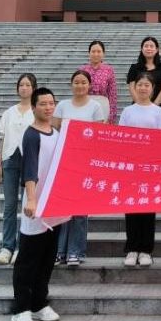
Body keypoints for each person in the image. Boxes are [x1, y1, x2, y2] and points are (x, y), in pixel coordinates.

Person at [10, 86, 62, 321]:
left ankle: (40, 303)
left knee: (47, 258)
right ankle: (21, 308)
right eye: (43, 104)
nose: (48, 107)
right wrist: (31, 199)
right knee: (28, 259)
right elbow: (29, 169)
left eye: (51, 103)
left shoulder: (56, 133)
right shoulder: (31, 135)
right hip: (36, 205)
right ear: (33, 107)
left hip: (54, 206)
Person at [54, 70, 105, 267]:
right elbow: (55, 131)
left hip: (84, 162)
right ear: (71, 84)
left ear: (89, 85)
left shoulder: (95, 107)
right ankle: (60, 251)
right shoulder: (62, 106)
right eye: (76, 82)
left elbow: (98, 136)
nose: (80, 85)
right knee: (63, 208)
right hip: (64, 161)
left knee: (80, 210)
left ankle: (76, 251)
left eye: (84, 82)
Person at [118, 72, 161, 267]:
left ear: (152, 88)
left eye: (147, 85)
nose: (143, 88)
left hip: (150, 166)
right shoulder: (128, 111)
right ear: (134, 87)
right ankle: (132, 249)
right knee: (131, 206)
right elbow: (121, 137)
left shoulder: (157, 111)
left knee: (148, 207)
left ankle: (146, 250)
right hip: (131, 166)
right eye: (140, 84)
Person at [0, 72, 37, 265]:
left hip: (30, 161)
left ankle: (23, 247)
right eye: (21, 85)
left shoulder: (36, 111)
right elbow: (4, 139)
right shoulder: (9, 112)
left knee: (27, 204)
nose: (24, 88)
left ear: (33, 88)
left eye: (28, 85)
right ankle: (7, 247)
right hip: (10, 159)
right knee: (10, 205)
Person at [78, 39, 118, 124]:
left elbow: (112, 94)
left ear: (103, 53)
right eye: (93, 51)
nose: (96, 54)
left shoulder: (109, 70)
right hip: (85, 104)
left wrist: (112, 115)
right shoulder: (82, 70)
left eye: (99, 51)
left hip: (103, 105)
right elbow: (77, 90)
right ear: (89, 53)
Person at [126, 36, 161, 108]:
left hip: (157, 107)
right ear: (142, 49)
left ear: (156, 49)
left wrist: (153, 106)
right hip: (138, 106)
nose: (149, 48)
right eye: (146, 46)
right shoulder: (134, 67)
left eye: (151, 46)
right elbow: (132, 87)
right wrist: (140, 104)